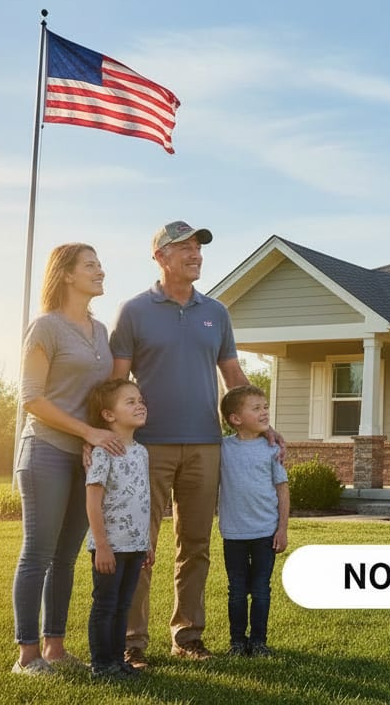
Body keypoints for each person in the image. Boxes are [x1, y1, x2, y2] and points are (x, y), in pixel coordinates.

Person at [108, 221, 282, 665]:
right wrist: (109, 434)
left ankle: (187, 636)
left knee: (196, 545)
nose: (195, 254)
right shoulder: (134, 311)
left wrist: (263, 424)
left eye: (198, 248)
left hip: (206, 445)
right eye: (183, 248)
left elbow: (234, 378)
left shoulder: (216, 312)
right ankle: (132, 642)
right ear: (160, 257)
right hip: (149, 446)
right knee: (138, 545)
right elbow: (115, 381)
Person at [12, 243, 125, 675]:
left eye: (100, 263)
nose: (100, 270)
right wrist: (87, 432)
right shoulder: (45, 327)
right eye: (91, 265)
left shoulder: (99, 331)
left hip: (85, 457)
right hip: (46, 450)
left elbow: (100, 396)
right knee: (38, 554)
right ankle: (27, 655)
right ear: (66, 275)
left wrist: (99, 435)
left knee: (66, 556)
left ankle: (55, 648)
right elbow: (32, 399)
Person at [83, 379, 154, 679]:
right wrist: (101, 545)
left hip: (135, 545)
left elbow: (143, 500)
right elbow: (93, 502)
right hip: (109, 547)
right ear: (108, 415)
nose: (140, 405)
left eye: (140, 400)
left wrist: (146, 541)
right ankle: (102, 664)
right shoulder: (103, 451)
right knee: (106, 605)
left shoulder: (142, 452)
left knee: (123, 605)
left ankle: (117, 660)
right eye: (130, 401)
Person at [217, 385, 289, 657]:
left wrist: (282, 528)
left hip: (265, 533)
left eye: (265, 407)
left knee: (260, 589)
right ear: (236, 419)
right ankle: (237, 642)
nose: (264, 412)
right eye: (256, 408)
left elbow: (282, 488)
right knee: (236, 589)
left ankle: (258, 642)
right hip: (234, 533)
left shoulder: (272, 449)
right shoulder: (223, 449)